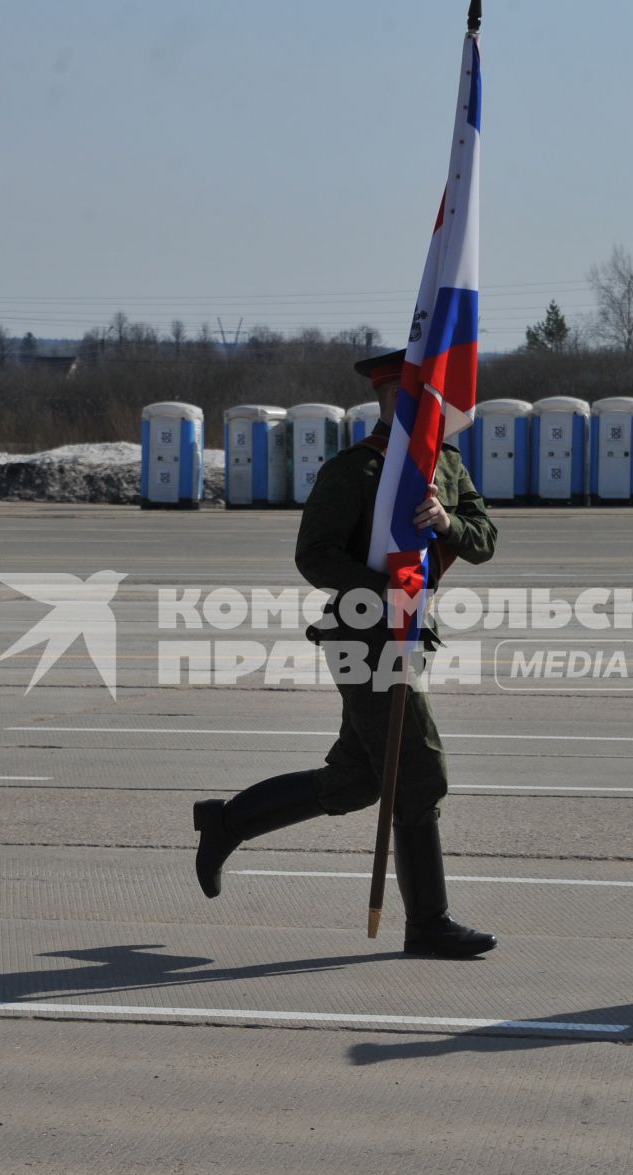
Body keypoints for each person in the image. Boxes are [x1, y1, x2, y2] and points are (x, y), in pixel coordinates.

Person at [191, 347, 499, 957]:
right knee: (420, 769)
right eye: (405, 398)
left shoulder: (447, 465)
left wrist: (446, 524)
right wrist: (381, 588)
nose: (419, 408)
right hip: (362, 635)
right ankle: (428, 924)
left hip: (412, 632)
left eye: (427, 399)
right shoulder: (355, 470)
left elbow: (484, 538)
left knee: (360, 779)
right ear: (386, 402)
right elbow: (315, 556)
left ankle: (226, 823)